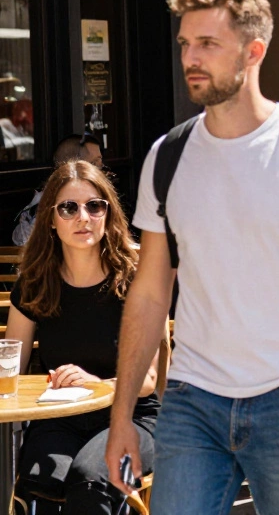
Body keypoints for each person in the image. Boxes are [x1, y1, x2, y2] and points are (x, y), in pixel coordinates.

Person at [105, 0, 279, 514]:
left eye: (207, 43)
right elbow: (151, 293)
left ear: (254, 52)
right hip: (192, 399)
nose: (191, 58)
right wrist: (122, 419)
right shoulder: (168, 156)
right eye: (185, 43)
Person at [7, 161, 160, 515]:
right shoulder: (35, 283)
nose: (83, 217)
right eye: (68, 208)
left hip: (131, 416)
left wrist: (95, 383)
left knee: (90, 478)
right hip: (60, 416)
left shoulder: (136, 281)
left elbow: (148, 381)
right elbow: (9, 366)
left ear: (108, 214)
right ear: (50, 218)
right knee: (39, 483)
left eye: (95, 206)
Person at [12, 133, 103, 246]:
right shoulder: (48, 202)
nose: (101, 168)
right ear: (73, 167)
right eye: (94, 163)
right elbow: (27, 242)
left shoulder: (102, 198)